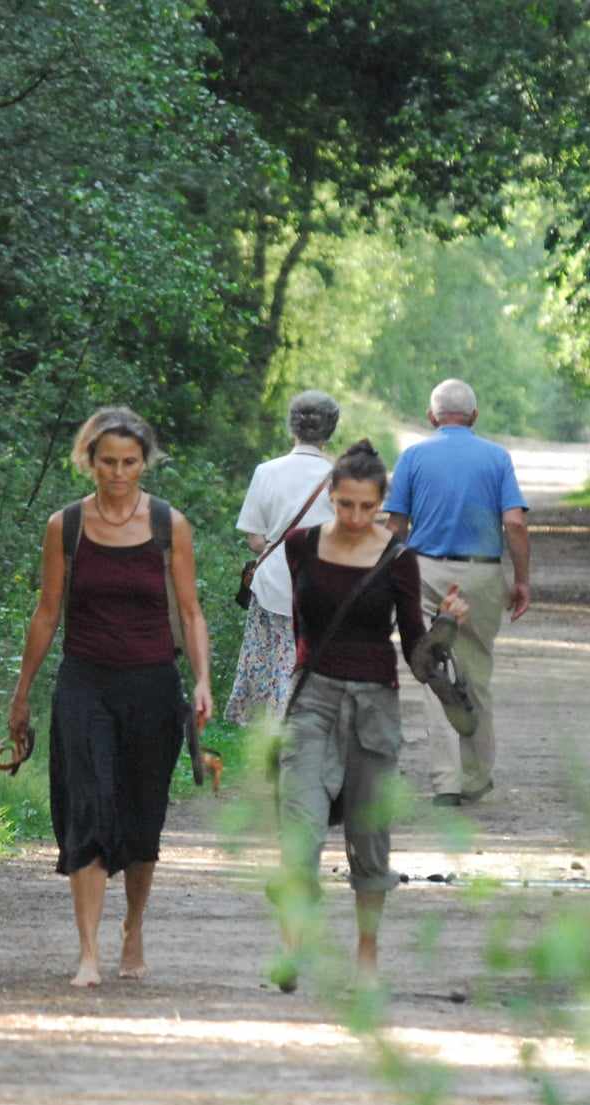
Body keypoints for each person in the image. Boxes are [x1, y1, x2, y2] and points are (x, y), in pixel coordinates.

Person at [7, 407, 213, 988]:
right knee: (89, 811)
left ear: (144, 463)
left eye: (129, 463)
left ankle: (134, 928)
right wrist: (22, 693)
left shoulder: (170, 525)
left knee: (142, 818)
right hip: (84, 683)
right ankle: (88, 953)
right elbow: (47, 613)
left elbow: (192, 612)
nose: (118, 474)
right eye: (107, 463)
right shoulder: (65, 527)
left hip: (151, 684)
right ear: (88, 461)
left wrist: (201, 681)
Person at [272, 440, 469, 989]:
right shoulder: (300, 546)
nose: (355, 517)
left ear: (382, 503)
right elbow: (300, 628)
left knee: (369, 835)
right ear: (330, 497)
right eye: (345, 505)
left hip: (374, 706)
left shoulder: (398, 561)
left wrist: (447, 626)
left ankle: (365, 958)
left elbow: (415, 650)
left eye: (366, 507)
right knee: (300, 832)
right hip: (311, 701)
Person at [383, 378, 530, 807]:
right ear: (475, 416)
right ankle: (475, 776)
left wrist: (381, 579)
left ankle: (444, 781)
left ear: (432, 417)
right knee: (476, 673)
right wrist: (521, 579)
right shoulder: (497, 458)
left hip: (424, 573)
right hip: (481, 575)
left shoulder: (412, 456)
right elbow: (516, 524)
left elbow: (395, 528)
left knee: (432, 670)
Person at [224, 390, 339, 725]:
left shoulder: (267, 472)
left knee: (276, 664)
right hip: (323, 584)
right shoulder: (340, 478)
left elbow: (255, 538)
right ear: (329, 431)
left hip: (272, 583)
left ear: (293, 428)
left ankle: (273, 732)